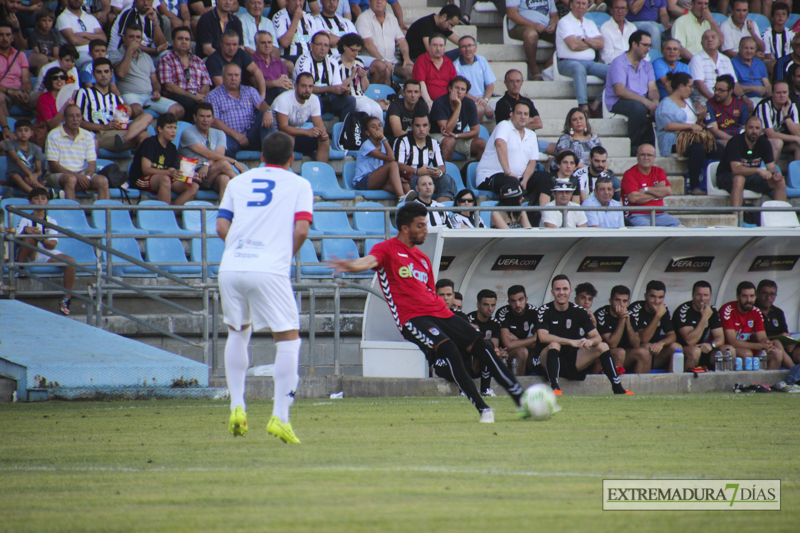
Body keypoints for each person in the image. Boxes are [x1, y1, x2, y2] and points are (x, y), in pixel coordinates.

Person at [329, 201, 526, 423]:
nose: (425, 230)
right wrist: (352, 266)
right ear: (405, 228)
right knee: (450, 350)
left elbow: (429, 291)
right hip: (413, 317)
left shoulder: (422, 260)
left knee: (484, 346)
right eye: (421, 225)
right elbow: (369, 261)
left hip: (442, 313)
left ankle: (521, 398)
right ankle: (483, 409)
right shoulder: (386, 249)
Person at [216, 131, 312, 443]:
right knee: (288, 339)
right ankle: (280, 418)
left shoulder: (237, 181)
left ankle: (237, 408)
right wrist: (283, 257)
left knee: (238, 332)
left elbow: (221, 225)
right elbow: (301, 228)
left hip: (231, 265)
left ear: (260, 157)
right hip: (269, 267)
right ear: (292, 158)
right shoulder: (299, 184)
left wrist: (237, 250)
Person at [536, 275, 633, 395]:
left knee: (602, 346)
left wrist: (590, 342)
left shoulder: (579, 311)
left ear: (570, 292)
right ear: (552, 292)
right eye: (558, 289)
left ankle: (618, 388)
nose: (561, 293)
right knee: (554, 345)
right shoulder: (544, 310)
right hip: (548, 361)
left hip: (572, 360)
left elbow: (597, 337)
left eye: (565, 289)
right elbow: (542, 336)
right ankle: (554, 388)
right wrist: (570, 341)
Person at [654, 72, 720, 194]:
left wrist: (700, 117)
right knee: (697, 150)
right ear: (681, 86)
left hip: (693, 137)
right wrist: (690, 127)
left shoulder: (688, 101)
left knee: (718, 149)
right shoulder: (666, 104)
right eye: (690, 86)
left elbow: (696, 124)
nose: (691, 90)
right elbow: (667, 126)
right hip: (674, 138)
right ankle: (694, 185)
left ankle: (716, 183)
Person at [15, 188, 76, 316]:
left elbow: (52, 246)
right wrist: (26, 232)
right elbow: (15, 239)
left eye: (43, 198)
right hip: (31, 253)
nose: (40, 201)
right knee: (28, 238)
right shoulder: (25, 220)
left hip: (45, 252)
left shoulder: (52, 221)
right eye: (36, 198)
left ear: (47, 201)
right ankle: (19, 267)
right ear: (30, 202)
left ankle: (66, 300)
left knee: (70, 262)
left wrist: (41, 238)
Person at [75, 58, 152, 153]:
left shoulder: (117, 99)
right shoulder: (83, 93)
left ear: (111, 74)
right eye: (99, 72)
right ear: (93, 75)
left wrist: (127, 114)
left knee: (146, 125)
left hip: (118, 134)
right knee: (146, 138)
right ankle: (124, 140)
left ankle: (124, 140)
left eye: (106, 71)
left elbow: (121, 124)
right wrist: (104, 127)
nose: (103, 75)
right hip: (98, 134)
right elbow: (77, 121)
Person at [109, 25, 184, 119]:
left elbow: (155, 81)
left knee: (178, 110)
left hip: (149, 96)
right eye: (131, 37)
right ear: (124, 38)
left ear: (141, 39)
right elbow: (121, 73)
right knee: (136, 110)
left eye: (138, 37)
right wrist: (130, 51)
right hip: (129, 95)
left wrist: (156, 91)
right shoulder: (115, 54)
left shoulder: (147, 57)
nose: (135, 40)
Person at [605, 30, 659, 156]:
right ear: (634, 44)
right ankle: (633, 145)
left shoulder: (647, 65)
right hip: (618, 101)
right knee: (638, 108)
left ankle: (649, 144)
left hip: (641, 101)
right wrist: (646, 101)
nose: (648, 49)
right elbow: (620, 91)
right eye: (645, 45)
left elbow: (653, 89)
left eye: (649, 46)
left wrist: (655, 102)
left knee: (662, 108)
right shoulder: (619, 62)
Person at [180, 103, 248, 200]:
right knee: (224, 164)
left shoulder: (219, 133)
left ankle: (223, 214)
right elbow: (208, 154)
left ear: (213, 118)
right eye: (202, 116)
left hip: (210, 173)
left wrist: (206, 164)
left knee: (224, 179)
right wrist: (234, 162)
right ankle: (245, 187)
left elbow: (219, 156)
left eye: (208, 117)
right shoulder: (188, 133)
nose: (205, 120)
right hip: (192, 175)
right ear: (195, 118)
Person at [720, 281, 793, 370]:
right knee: (746, 354)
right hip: (727, 350)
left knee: (776, 352)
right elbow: (732, 341)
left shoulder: (756, 311)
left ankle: (767, 383)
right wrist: (759, 346)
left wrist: (767, 344)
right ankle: (744, 383)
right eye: (744, 296)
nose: (749, 300)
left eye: (751, 296)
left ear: (755, 296)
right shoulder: (728, 309)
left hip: (748, 348)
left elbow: (762, 337)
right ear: (737, 297)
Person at [716, 115, 786, 206]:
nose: (754, 131)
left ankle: (779, 218)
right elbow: (736, 169)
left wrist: (775, 174)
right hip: (726, 176)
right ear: (745, 128)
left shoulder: (765, 143)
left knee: (779, 182)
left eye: (757, 128)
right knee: (739, 179)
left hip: (750, 177)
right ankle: (736, 218)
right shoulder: (734, 142)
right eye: (751, 128)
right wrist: (758, 170)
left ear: (761, 130)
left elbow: (771, 167)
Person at [207, 63, 275, 158]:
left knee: (268, 115)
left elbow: (261, 104)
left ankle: (271, 158)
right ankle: (233, 171)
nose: (233, 78)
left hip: (251, 135)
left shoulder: (249, 90)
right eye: (230, 75)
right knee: (224, 148)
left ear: (240, 77)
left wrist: (267, 111)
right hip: (230, 136)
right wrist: (235, 134)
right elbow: (214, 121)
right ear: (223, 76)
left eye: (236, 75)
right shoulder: (213, 96)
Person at [130, 112, 199, 205]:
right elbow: (146, 170)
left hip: (163, 177)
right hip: (141, 178)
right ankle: (165, 214)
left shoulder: (172, 148)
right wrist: (168, 173)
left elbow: (172, 171)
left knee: (193, 186)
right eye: (169, 128)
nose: (173, 131)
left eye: (175, 128)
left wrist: (189, 176)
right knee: (165, 179)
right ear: (160, 129)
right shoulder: (150, 143)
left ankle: (172, 213)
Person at [44, 104, 110, 200]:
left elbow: (92, 164)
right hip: (57, 175)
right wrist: (78, 177)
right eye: (71, 116)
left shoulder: (87, 135)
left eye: (78, 115)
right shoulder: (54, 135)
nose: (75, 119)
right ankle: (72, 214)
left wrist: (86, 178)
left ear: (81, 118)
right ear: (64, 118)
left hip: (81, 173)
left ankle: (105, 214)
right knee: (71, 179)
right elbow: (54, 166)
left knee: (102, 181)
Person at [475, 101, 539, 196]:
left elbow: (532, 162)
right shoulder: (504, 125)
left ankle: (537, 209)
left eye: (526, 114)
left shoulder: (532, 135)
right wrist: (508, 172)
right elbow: (500, 144)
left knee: (545, 179)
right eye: (519, 113)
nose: (523, 116)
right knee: (512, 184)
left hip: (518, 178)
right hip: (490, 176)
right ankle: (516, 210)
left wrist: (525, 180)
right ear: (511, 114)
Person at [556, 0, 607, 115]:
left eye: (584, 4)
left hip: (590, 63)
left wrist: (584, 39)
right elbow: (573, 45)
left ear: (587, 6)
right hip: (567, 62)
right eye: (578, 3)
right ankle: (583, 107)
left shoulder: (590, 23)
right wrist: (592, 43)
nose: (581, 6)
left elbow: (601, 44)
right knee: (578, 68)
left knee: (614, 71)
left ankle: (595, 104)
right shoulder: (564, 22)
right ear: (571, 5)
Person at [393, 114, 456, 202]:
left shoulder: (434, 143)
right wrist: (417, 171)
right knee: (420, 182)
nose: (421, 129)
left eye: (425, 125)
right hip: (410, 176)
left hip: (428, 176)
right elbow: (398, 165)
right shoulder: (402, 141)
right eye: (417, 125)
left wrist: (438, 171)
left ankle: (439, 210)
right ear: (412, 127)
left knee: (447, 180)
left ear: (429, 126)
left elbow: (442, 166)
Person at [293, 31, 355, 120]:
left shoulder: (332, 60)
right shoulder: (303, 61)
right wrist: (330, 89)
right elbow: (305, 88)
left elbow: (336, 86)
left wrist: (343, 91)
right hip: (309, 98)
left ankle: (345, 130)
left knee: (350, 100)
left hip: (328, 99)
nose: (323, 48)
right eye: (319, 44)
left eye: (326, 45)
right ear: (311, 46)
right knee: (315, 100)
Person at [272, 72, 330, 162]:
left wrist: (322, 132)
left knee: (324, 140)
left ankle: (320, 173)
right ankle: (286, 172)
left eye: (310, 87)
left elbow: (319, 123)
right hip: (276, 138)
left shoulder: (314, 99)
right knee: (289, 138)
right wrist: (307, 132)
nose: (307, 90)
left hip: (297, 135)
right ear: (295, 86)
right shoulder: (284, 99)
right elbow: (283, 128)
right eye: (303, 86)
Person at [157, 26, 213, 118]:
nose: (184, 42)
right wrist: (193, 97)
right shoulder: (166, 59)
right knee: (188, 102)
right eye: (180, 38)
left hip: (197, 96)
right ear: (172, 42)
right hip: (176, 96)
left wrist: (201, 96)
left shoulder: (198, 60)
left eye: (187, 39)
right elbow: (169, 86)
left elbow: (206, 84)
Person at [672, 280, 729, 370]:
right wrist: (704, 318)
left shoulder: (712, 311)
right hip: (682, 351)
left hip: (704, 349)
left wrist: (711, 345)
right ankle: (687, 382)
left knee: (728, 350)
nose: (702, 299)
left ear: (710, 296)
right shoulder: (684, 310)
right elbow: (690, 341)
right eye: (699, 295)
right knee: (695, 351)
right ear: (693, 295)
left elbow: (720, 338)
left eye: (705, 295)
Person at [622, 144, 683, 226]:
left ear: (654, 157)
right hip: (637, 215)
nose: (646, 158)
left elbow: (667, 191)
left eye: (649, 155)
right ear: (637, 156)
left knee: (679, 227)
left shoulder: (659, 171)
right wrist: (657, 194)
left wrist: (646, 190)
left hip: (660, 215)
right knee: (647, 231)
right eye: (642, 154)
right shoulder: (629, 174)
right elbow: (634, 198)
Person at [354, 0, 412, 84]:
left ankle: (406, 95)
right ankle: (387, 96)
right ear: (369, 2)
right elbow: (367, 43)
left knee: (411, 70)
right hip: (373, 63)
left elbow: (402, 40)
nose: (379, 1)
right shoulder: (363, 18)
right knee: (385, 69)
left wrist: (406, 57)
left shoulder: (392, 18)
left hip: (393, 62)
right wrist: (382, 60)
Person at [429, 76, 486, 162]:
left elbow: (475, 132)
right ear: (449, 89)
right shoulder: (439, 102)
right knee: (449, 141)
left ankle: (478, 172)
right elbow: (447, 131)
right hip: (438, 136)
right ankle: (445, 173)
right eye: (456, 88)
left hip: (457, 137)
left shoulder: (469, 103)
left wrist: (457, 136)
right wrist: (458, 107)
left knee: (481, 143)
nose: (459, 92)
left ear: (466, 92)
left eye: (463, 89)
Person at [595, 285, 650, 373]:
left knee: (644, 353)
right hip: (604, 356)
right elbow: (612, 345)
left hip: (624, 355)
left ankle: (638, 386)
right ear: (610, 301)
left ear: (628, 303)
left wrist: (627, 322)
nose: (621, 304)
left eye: (624, 301)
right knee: (619, 352)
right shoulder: (601, 314)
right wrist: (621, 320)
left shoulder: (630, 314)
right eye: (617, 300)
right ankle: (616, 385)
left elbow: (636, 344)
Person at [629, 280, 682, 372]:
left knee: (676, 347)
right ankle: (643, 384)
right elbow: (643, 339)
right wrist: (658, 316)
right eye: (652, 296)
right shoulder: (636, 308)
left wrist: (661, 343)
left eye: (660, 297)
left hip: (654, 352)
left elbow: (672, 335)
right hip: (634, 354)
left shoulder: (663, 309)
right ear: (646, 296)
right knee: (646, 347)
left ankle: (673, 383)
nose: (656, 301)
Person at [353, 115, 409, 200]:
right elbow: (391, 159)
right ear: (367, 132)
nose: (378, 129)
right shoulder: (367, 146)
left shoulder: (383, 144)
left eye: (380, 126)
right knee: (392, 164)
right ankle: (401, 198)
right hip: (362, 182)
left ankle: (407, 208)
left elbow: (387, 164)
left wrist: (397, 178)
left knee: (405, 186)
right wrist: (384, 138)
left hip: (378, 181)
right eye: (373, 127)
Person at [505, 0, 559, 81]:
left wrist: (553, 24)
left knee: (563, 36)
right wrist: (533, 25)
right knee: (531, 34)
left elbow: (554, 14)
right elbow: (511, 14)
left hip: (545, 27)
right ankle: (534, 69)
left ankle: (547, 68)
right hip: (520, 26)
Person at [335, 33, 386, 119]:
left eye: (358, 51)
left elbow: (365, 88)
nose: (356, 54)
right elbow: (337, 87)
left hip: (361, 96)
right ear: (344, 47)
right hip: (347, 98)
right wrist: (351, 77)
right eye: (353, 50)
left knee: (377, 110)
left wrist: (363, 77)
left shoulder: (359, 62)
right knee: (366, 109)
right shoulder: (336, 63)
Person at [689, 30, 745, 105]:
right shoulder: (697, 59)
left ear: (719, 42)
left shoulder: (726, 59)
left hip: (725, 102)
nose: (709, 39)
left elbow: (734, 83)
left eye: (713, 37)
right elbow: (699, 84)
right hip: (704, 102)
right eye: (706, 38)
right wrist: (715, 102)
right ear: (702, 44)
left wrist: (744, 98)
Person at [208, 29, 267, 100]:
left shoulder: (240, 53)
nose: (231, 48)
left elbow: (257, 71)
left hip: (241, 93)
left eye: (234, 44)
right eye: (228, 44)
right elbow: (222, 86)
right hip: (222, 98)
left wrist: (262, 96)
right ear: (221, 43)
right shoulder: (213, 60)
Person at [467, 289, 505, 396]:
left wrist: (498, 352)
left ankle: (485, 390)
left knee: (490, 350)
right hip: (469, 358)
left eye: (493, 305)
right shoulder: (469, 320)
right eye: (486, 305)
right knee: (485, 348)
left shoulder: (495, 324)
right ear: (478, 305)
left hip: (484, 359)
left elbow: (494, 345)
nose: (490, 309)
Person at [497, 284, 539, 375]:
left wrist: (517, 340)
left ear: (526, 299)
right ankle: (518, 387)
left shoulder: (533, 311)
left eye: (520, 300)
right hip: (507, 354)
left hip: (527, 350)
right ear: (508, 301)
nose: (517, 304)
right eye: (513, 301)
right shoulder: (503, 312)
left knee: (544, 351)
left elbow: (542, 341)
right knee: (522, 351)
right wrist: (533, 339)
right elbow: (508, 345)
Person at [755, 279, 800, 364]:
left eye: (772, 294)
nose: (768, 298)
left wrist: (789, 343)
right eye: (765, 293)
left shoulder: (778, 312)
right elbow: (752, 337)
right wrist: (777, 336)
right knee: (776, 342)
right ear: (757, 294)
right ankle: (793, 371)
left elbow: (785, 333)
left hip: (783, 348)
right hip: (763, 348)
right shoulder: (751, 311)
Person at [755, 79, 800, 159]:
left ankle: (797, 171)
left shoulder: (791, 105)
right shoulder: (764, 106)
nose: (782, 95)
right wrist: (795, 138)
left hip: (782, 141)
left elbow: (797, 132)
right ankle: (771, 171)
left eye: (784, 92)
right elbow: (770, 134)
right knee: (778, 143)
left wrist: (786, 115)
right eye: (778, 93)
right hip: (759, 142)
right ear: (772, 93)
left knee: (798, 145)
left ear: (788, 93)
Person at [453, 36, 495, 121]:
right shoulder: (455, 65)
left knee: (501, 105)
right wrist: (483, 104)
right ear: (460, 50)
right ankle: (478, 134)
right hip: (466, 98)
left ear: (475, 48)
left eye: (470, 45)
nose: (467, 49)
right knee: (479, 109)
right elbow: (461, 91)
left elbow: (490, 85)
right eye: (464, 46)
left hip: (484, 98)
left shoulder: (481, 60)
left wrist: (485, 100)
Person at [0, 21, 36, 120]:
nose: (4, 38)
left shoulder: (20, 55)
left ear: (12, 38)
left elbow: (26, 80)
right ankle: (8, 130)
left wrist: (25, 91)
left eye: (8, 35)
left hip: (19, 91)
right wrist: (10, 91)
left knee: (44, 98)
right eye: (1, 35)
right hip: (3, 92)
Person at [412, 34, 458, 108]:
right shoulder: (421, 60)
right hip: (425, 102)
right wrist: (428, 101)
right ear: (429, 46)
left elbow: (454, 84)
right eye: (435, 45)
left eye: (441, 45)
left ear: (444, 47)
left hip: (446, 102)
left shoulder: (448, 62)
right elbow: (420, 82)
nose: (438, 48)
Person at [550, 107, 602, 172]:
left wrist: (603, 168)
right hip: (572, 172)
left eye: (581, 118)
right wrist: (590, 170)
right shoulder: (565, 138)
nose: (578, 121)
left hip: (593, 171)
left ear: (586, 120)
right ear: (570, 123)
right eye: (574, 119)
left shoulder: (593, 137)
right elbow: (566, 160)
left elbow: (602, 156)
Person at [706, 74, 750, 147]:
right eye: (715, 89)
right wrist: (733, 140)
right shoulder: (710, 104)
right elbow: (714, 130)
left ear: (730, 91)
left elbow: (744, 127)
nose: (716, 92)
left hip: (738, 137)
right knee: (731, 145)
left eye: (720, 90)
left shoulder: (740, 104)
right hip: (719, 140)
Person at [252, 31, 293, 106]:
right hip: (261, 96)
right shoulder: (251, 62)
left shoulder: (280, 63)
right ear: (256, 45)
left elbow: (285, 82)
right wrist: (275, 83)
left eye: (269, 42)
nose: (267, 45)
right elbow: (254, 84)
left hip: (279, 95)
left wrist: (288, 84)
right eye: (263, 43)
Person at [5, 120, 46, 194]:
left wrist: (34, 176)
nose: (23, 133)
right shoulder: (10, 144)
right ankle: (34, 194)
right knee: (16, 177)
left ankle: (46, 192)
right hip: (13, 175)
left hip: (28, 177)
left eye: (26, 130)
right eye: (19, 130)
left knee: (27, 179)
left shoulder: (36, 148)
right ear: (15, 133)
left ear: (31, 133)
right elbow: (17, 160)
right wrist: (30, 174)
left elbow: (39, 171)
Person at [37, 67, 75, 132]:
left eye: (62, 77)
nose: (59, 80)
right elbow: (51, 125)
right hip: (51, 134)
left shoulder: (69, 98)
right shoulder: (43, 98)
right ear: (49, 81)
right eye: (55, 78)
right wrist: (65, 107)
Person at [600, 0, 638, 65]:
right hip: (614, 66)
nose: (620, 11)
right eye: (617, 8)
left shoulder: (632, 28)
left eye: (623, 8)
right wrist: (629, 60)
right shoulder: (605, 28)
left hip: (633, 66)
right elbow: (607, 57)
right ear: (611, 10)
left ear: (627, 11)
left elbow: (639, 51)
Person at [761, 2, 793, 72]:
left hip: (789, 64)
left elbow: (793, 55)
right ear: (772, 17)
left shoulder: (791, 34)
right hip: (772, 64)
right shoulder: (766, 34)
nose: (780, 17)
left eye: (783, 14)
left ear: (787, 17)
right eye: (777, 14)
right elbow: (767, 56)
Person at [28, 7, 60, 75]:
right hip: (40, 63)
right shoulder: (33, 35)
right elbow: (37, 55)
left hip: (51, 62)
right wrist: (49, 58)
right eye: (44, 20)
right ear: (38, 22)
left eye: (50, 21)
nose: (47, 23)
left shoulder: (54, 36)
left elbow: (56, 55)